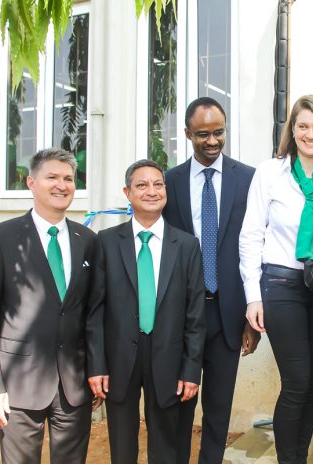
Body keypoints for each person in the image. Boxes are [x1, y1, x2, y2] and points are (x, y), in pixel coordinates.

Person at [239, 95, 313, 464]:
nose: (311, 134)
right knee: (295, 381)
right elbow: (251, 235)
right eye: (303, 126)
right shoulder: (270, 173)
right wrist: (252, 296)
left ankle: (299, 457)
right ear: (292, 129)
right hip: (281, 283)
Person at [0, 148, 97, 463]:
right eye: (52, 177)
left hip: (73, 385)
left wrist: (96, 372)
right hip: (18, 385)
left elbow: (93, 315)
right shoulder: (1, 238)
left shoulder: (87, 240)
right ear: (31, 182)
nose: (62, 185)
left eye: (69, 178)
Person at [86, 159, 206, 463]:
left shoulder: (187, 245)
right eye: (141, 185)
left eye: (158, 184)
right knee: (122, 446)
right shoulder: (106, 242)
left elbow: (195, 315)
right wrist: (97, 364)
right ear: (127, 193)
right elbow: (95, 310)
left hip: (169, 356)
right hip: (119, 358)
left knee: (166, 445)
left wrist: (191, 369)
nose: (151, 191)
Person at [163, 97, 261, 464]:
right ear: (188, 134)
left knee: (219, 411)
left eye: (219, 132)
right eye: (203, 134)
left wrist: (251, 318)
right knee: (179, 407)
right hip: (180, 316)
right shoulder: (169, 182)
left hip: (227, 315)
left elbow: (257, 249)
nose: (212, 141)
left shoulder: (249, 179)